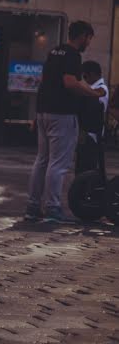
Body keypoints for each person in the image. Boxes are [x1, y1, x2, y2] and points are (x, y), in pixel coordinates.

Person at [26, 21, 105, 224]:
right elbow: (70, 82)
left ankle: (33, 207)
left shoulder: (54, 52)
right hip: (62, 114)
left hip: (44, 111)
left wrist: (37, 114)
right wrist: (94, 93)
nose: (88, 43)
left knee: (42, 160)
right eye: (89, 38)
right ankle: (53, 209)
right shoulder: (72, 55)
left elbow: (44, 81)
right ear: (83, 36)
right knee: (58, 163)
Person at [75, 61, 109, 175]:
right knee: (81, 166)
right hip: (85, 133)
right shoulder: (92, 87)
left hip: (92, 134)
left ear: (93, 74)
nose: (84, 79)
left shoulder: (101, 88)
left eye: (85, 76)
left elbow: (99, 95)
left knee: (87, 167)